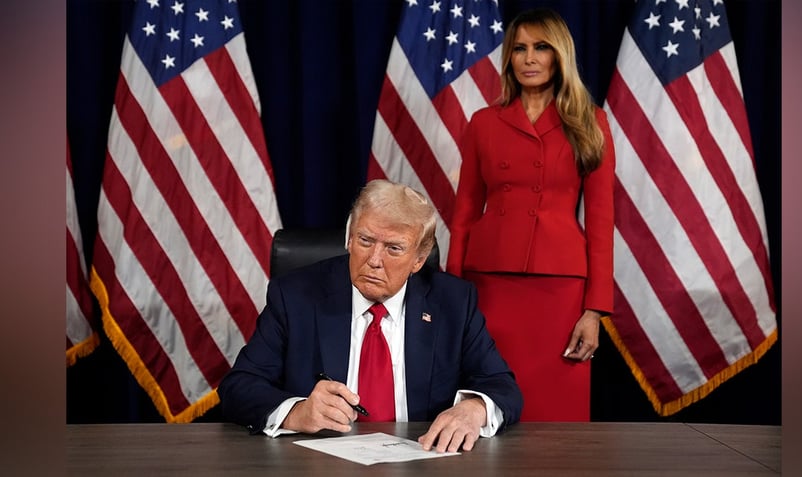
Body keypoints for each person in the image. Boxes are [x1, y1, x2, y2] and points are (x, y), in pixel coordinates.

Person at [219, 179, 523, 452]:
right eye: (365, 241)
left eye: (393, 248)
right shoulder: (296, 296)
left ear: (418, 259)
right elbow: (239, 387)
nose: (374, 260)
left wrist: (474, 410)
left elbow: (503, 387)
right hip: (318, 463)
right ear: (349, 239)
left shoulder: (453, 302)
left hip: (422, 461)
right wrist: (296, 412)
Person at [446, 8, 615, 422]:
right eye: (519, 48)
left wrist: (594, 311)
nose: (529, 58)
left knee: (558, 408)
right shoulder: (484, 123)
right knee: (486, 402)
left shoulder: (590, 122)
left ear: (559, 56)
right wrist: (451, 292)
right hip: (490, 284)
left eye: (541, 47)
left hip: (560, 289)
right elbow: (464, 213)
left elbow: (600, 220)